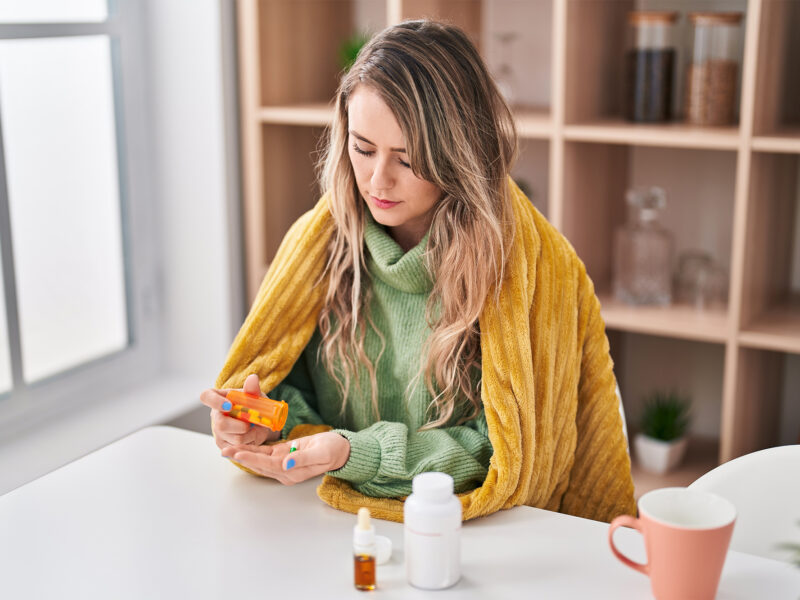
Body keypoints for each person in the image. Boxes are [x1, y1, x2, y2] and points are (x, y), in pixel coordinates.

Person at [200, 19, 635, 523]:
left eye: (408, 160)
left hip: (475, 535)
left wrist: (354, 453)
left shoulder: (531, 270)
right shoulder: (317, 246)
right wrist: (268, 423)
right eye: (362, 149)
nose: (377, 180)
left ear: (459, 154)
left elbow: (503, 459)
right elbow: (287, 389)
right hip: (326, 526)